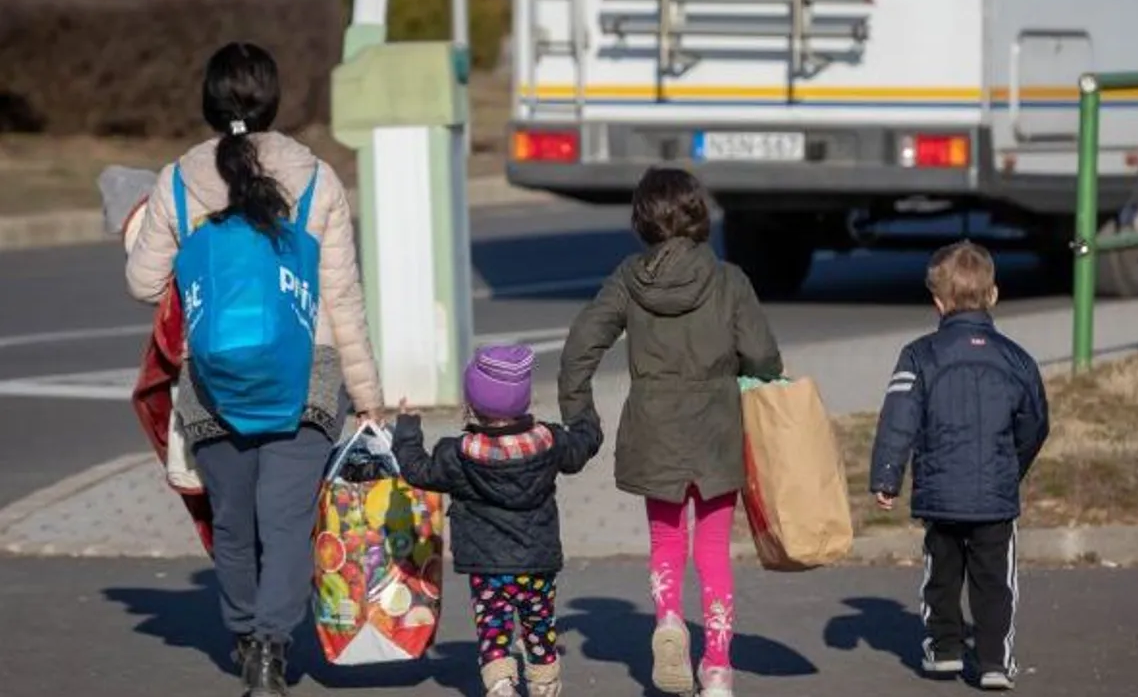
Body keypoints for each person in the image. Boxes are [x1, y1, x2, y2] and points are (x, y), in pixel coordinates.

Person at [125, 42, 382, 697]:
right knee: (288, 522)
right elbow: (342, 297)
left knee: (235, 521)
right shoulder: (318, 177)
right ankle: (273, 647)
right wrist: (368, 393)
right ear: (274, 101)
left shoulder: (179, 180)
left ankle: (244, 636)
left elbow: (143, 281)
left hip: (215, 375)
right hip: (310, 373)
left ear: (209, 103)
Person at [557, 167, 783, 697]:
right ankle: (720, 668)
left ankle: (667, 621)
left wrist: (579, 413)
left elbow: (580, 346)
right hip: (715, 429)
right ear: (700, 216)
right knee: (712, 549)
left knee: (665, 538)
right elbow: (765, 357)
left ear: (641, 222)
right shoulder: (729, 282)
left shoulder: (628, 280)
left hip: (653, 424)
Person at [869, 240, 1050, 691]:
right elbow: (1036, 423)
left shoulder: (918, 356)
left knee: (942, 573)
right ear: (993, 296)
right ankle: (993, 660)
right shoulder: (1017, 359)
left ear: (937, 303)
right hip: (995, 496)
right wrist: (1012, 465)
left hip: (940, 493)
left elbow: (898, 419)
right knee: (994, 582)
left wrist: (887, 475)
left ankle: (944, 648)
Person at [391, 344, 603, 697]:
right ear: (524, 400)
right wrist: (586, 417)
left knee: (494, 625)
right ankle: (544, 682)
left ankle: (501, 683)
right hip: (537, 563)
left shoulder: (456, 455)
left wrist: (408, 428)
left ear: (473, 404)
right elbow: (583, 445)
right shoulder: (549, 443)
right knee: (538, 624)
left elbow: (416, 470)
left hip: (487, 567)